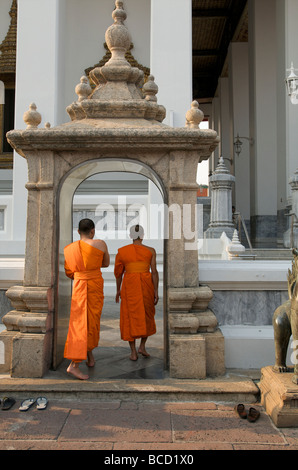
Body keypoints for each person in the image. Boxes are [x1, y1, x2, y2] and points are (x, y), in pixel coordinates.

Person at [64, 218, 110, 380]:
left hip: (79, 286)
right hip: (94, 285)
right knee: (90, 322)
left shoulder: (69, 249)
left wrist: (81, 274)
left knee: (80, 323)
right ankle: (74, 365)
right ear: (92, 231)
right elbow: (105, 263)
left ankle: (89, 357)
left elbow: (69, 272)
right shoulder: (100, 244)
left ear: (78, 232)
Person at [114, 224, 159, 361]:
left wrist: (118, 290)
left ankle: (134, 351)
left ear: (130, 236)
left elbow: (118, 274)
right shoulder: (151, 250)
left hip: (129, 285)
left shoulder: (122, 251)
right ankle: (142, 346)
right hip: (146, 285)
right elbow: (154, 272)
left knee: (130, 317)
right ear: (143, 235)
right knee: (147, 314)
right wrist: (156, 290)